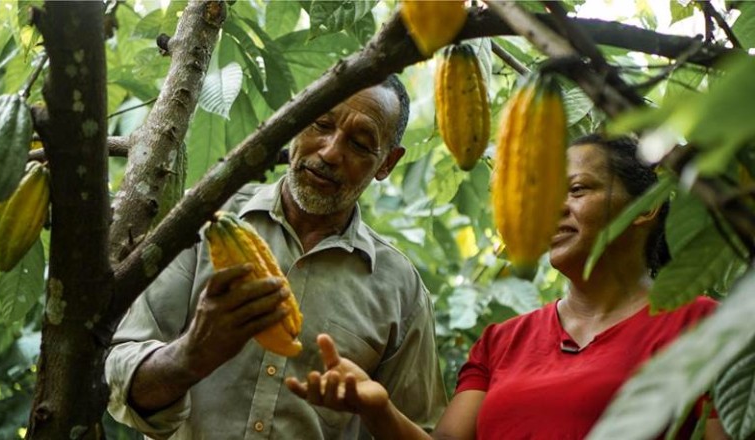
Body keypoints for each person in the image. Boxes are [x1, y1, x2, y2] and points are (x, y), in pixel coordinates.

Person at [286, 134, 729, 439]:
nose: (553, 208)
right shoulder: (502, 341)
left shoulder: (704, 326)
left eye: (576, 190)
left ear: (644, 209)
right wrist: (378, 408)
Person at [104, 76, 448, 439]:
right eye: (321, 124)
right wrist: (192, 354)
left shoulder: (400, 288)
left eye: (360, 144)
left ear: (387, 163)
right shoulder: (201, 219)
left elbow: (420, 429)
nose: (330, 152)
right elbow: (118, 375)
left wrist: (378, 410)